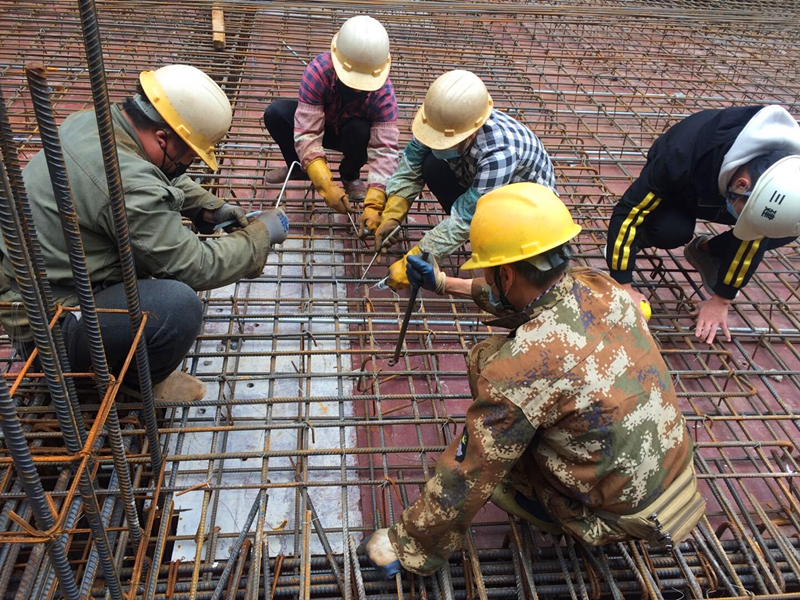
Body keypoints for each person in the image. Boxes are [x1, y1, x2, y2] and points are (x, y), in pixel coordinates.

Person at [359, 183, 702, 578]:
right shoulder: (601, 286)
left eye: (487, 269)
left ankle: (533, 507)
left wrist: (409, 544)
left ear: (505, 274)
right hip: (676, 477)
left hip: (612, 518)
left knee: (491, 442)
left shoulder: (520, 370)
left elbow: (469, 472)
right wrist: (443, 283)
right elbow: (532, 297)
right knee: (495, 358)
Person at [0, 64, 289, 402]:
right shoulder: (128, 185)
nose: (188, 165)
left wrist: (207, 207)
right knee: (177, 307)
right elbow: (195, 266)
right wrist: (260, 236)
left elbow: (154, 171)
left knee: (149, 260)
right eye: (189, 156)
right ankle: (139, 382)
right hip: (50, 330)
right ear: (163, 137)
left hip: (33, 291)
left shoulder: (94, 122)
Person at [606, 105, 800, 344]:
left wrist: (721, 300)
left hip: (726, 190)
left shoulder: (786, 176)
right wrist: (622, 283)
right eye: (747, 214)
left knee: (783, 229)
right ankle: (628, 246)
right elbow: (629, 212)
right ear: (741, 185)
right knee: (670, 231)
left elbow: (757, 236)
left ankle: (708, 252)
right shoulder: (678, 159)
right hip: (684, 186)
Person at [371, 69, 556, 290]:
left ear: (470, 133)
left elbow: (465, 218)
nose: (437, 142)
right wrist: (393, 213)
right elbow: (411, 164)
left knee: (482, 231)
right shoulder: (439, 121)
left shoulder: (499, 153)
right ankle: (470, 234)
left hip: (524, 208)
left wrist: (418, 256)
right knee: (432, 165)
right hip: (481, 182)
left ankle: (493, 247)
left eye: (445, 141)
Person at [262, 15, 399, 221]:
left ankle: (350, 175)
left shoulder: (384, 94)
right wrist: (324, 183)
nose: (357, 89)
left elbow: (385, 152)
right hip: (321, 124)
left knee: (361, 130)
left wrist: (375, 202)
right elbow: (307, 131)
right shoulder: (319, 71)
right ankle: (299, 167)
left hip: (350, 137)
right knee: (276, 114)